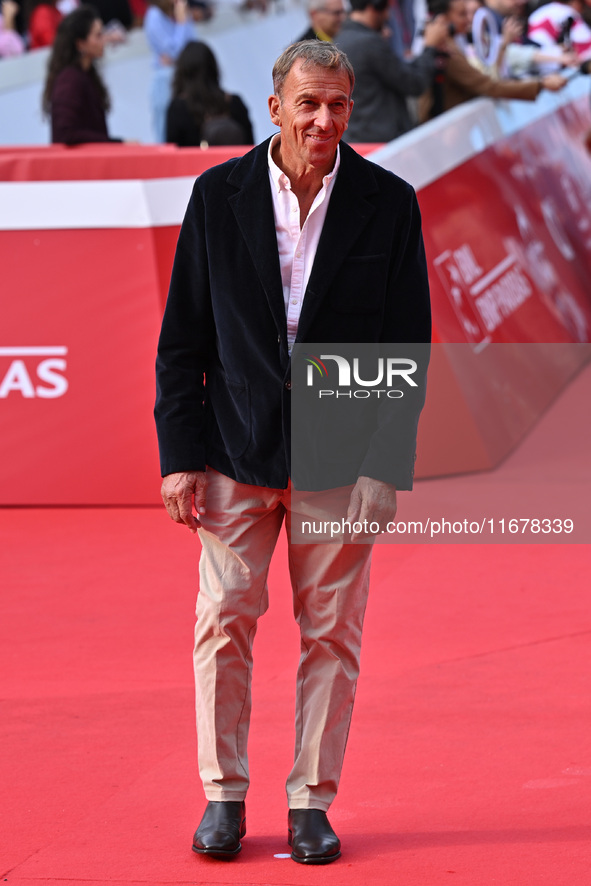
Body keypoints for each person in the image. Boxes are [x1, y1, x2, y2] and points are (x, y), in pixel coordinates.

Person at [154, 40, 431, 865]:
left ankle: (312, 801)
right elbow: (181, 342)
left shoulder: (388, 202)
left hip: (340, 462)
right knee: (221, 624)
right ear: (274, 104)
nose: (323, 120)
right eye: (308, 102)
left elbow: (405, 345)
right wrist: (179, 454)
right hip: (236, 450)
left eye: (338, 105)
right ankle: (223, 797)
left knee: (333, 636)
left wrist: (385, 464)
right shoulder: (216, 196)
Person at [419, 0, 568, 120]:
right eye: (462, 14)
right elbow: (487, 85)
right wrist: (541, 85)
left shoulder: (455, 43)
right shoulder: (446, 50)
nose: (468, 19)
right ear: (442, 19)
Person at [336, 0, 449, 142]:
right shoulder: (369, 43)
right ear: (376, 5)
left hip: (362, 142)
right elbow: (414, 83)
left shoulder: (340, 41)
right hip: (385, 141)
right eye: (387, 8)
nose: (388, 17)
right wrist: (430, 47)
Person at [43, 5, 125, 143]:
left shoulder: (86, 75)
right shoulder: (70, 79)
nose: (104, 40)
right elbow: (65, 133)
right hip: (79, 163)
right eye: (98, 35)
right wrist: (116, 143)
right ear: (80, 44)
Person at [166, 40, 254, 146]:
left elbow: (172, 151)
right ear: (213, 68)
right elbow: (251, 149)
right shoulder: (235, 103)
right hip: (235, 162)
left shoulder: (178, 108)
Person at [144, 0, 195, 142]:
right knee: (165, 129)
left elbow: (191, 46)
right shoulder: (154, 16)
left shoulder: (180, 12)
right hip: (165, 81)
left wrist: (183, 20)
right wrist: (182, 23)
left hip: (185, 77)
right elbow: (175, 52)